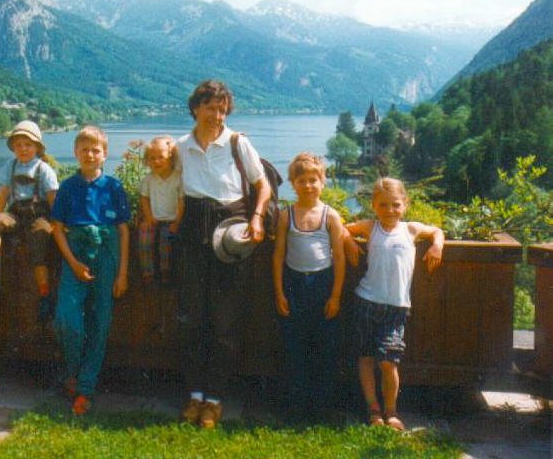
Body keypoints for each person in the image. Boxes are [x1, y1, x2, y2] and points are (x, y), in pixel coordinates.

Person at [176, 80, 271, 429]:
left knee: (224, 322)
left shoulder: (236, 142)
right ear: (196, 108)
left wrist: (258, 217)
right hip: (191, 235)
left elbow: (262, 186)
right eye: (211, 107)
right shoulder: (180, 147)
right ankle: (195, 396)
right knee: (191, 320)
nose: (217, 115)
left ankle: (214, 401)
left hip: (230, 233)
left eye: (222, 109)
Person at [345, 178, 444, 431]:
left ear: (405, 204)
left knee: (389, 361)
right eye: (383, 205)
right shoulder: (371, 227)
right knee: (366, 357)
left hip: (396, 308)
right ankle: (373, 409)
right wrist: (348, 242)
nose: (390, 210)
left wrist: (437, 247)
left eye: (395, 205)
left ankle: (392, 411)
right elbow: (343, 229)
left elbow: (436, 231)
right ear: (374, 206)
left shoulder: (410, 230)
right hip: (367, 301)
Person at [51, 125, 131, 415]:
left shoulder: (114, 187)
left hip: (107, 253)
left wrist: (122, 273)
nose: (90, 154)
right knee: (66, 319)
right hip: (74, 253)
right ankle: (73, 373)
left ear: (105, 154)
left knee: (101, 321)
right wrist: (73, 262)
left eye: (95, 149)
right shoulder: (68, 187)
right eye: (84, 149)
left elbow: (123, 231)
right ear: (75, 153)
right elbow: (57, 229)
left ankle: (85, 389)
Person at [272, 153, 346, 418]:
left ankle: (322, 406)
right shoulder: (286, 215)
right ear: (293, 184)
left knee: (324, 346)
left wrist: (335, 296)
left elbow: (339, 257)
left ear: (322, 182)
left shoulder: (330, 215)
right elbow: (279, 254)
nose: (307, 185)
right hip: (294, 284)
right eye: (301, 180)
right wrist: (280, 291)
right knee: (295, 344)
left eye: (313, 180)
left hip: (323, 285)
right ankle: (297, 404)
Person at [0, 120, 58, 321]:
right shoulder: (11, 165)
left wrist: (57, 222)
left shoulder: (44, 169)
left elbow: (52, 199)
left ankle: (44, 295)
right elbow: (4, 192)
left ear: (37, 147)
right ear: (14, 148)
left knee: (40, 242)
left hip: (38, 215)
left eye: (28, 145)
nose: (23, 149)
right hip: (15, 213)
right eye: (18, 145)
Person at [138, 135, 184, 285]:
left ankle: (165, 274)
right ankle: (148, 273)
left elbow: (181, 201)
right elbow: (144, 198)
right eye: (152, 158)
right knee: (144, 241)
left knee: (165, 245)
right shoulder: (149, 179)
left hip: (171, 220)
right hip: (154, 218)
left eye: (160, 157)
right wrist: (148, 217)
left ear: (170, 156)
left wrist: (177, 222)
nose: (156, 161)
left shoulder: (178, 178)